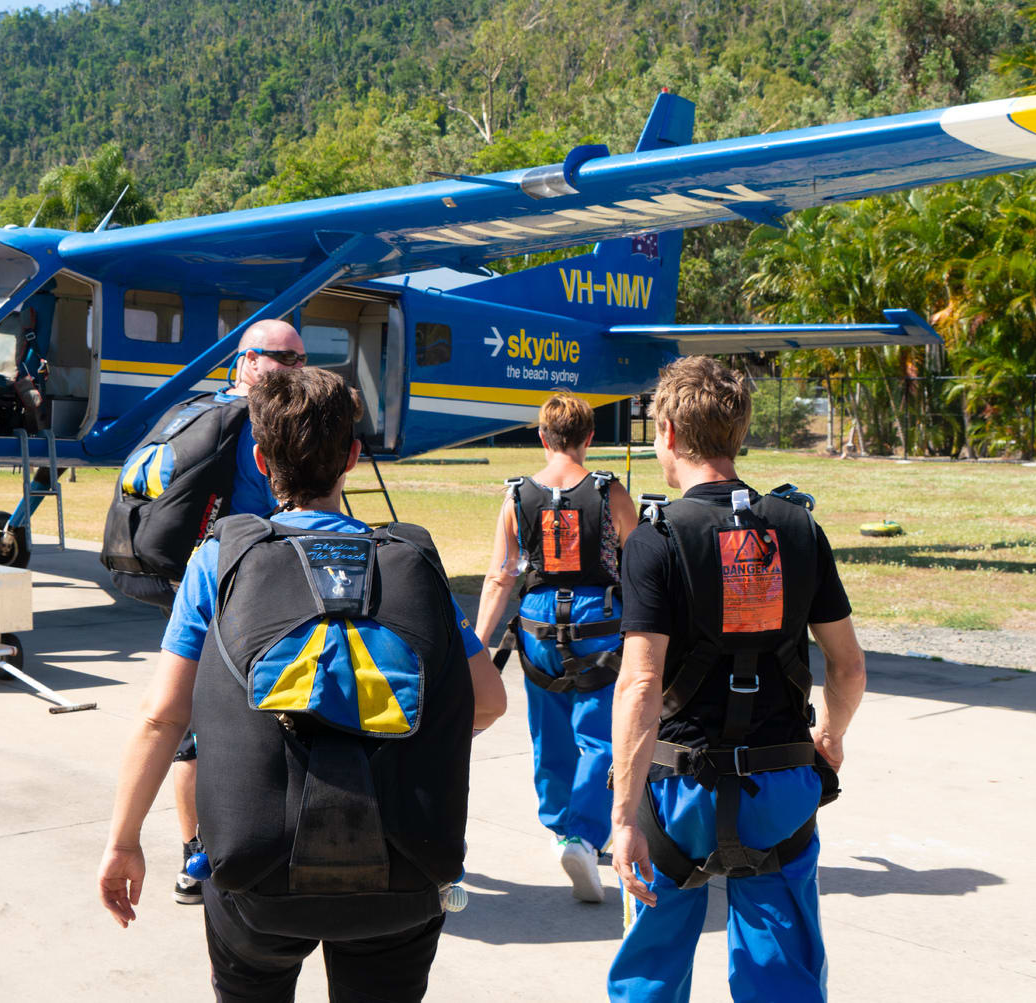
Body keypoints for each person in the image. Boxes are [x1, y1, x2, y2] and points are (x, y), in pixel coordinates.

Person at [98, 367, 506, 1002]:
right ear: (352, 456)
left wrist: (124, 841)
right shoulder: (412, 563)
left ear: (261, 461)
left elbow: (162, 718)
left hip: (258, 875)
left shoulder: (220, 560)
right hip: (401, 872)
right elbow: (488, 701)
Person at [607, 356, 866, 1003]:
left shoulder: (657, 538)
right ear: (741, 430)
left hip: (677, 795)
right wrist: (829, 735)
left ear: (665, 431)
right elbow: (847, 664)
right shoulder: (799, 527)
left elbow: (640, 684)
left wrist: (622, 817)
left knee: (651, 970)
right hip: (778, 787)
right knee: (782, 973)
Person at [162, 318, 307, 907]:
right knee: (207, 731)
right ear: (246, 361)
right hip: (238, 586)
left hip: (214, 581)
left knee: (200, 728)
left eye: (302, 358)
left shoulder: (201, 414)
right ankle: (199, 853)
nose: (298, 368)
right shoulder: (248, 422)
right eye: (284, 358)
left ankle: (201, 854)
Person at [474, 392, 636, 903]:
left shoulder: (516, 496)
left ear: (542, 438)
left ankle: (560, 826)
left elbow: (501, 576)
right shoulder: (610, 492)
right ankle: (584, 836)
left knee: (549, 731)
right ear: (589, 437)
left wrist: (479, 647)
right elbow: (638, 562)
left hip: (537, 623)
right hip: (598, 623)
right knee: (600, 736)